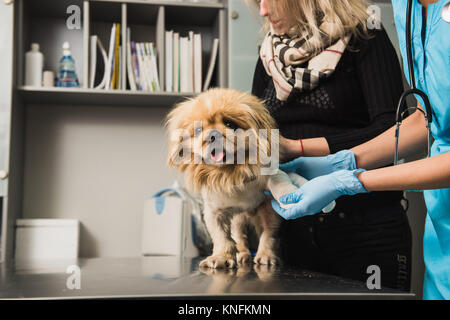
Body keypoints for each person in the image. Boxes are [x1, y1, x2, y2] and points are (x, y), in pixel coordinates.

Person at [270, 0, 450, 300]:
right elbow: (426, 118)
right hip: (442, 233)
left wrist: (354, 180)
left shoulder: (367, 33)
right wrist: (342, 161)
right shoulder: (406, 7)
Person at [251, 0, 412, 290]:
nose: (262, 11)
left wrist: (298, 147)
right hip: (292, 233)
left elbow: (395, 131)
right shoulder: (269, 55)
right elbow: (259, 138)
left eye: (268, 0)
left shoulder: (365, 35)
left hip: (365, 228)